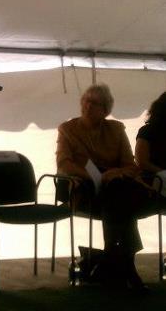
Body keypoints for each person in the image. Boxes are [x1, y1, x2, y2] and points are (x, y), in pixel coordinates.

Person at [56, 83, 151, 291]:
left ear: (105, 109)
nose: (88, 106)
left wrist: (113, 174)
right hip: (85, 187)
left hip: (114, 188)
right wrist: (96, 176)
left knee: (117, 195)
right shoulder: (68, 129)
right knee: (123, 201)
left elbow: (129, 164)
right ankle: (125, 265)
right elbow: (63, 164)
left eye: (94, 103)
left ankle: (112, 257)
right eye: (86, 101)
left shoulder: (116, 129)